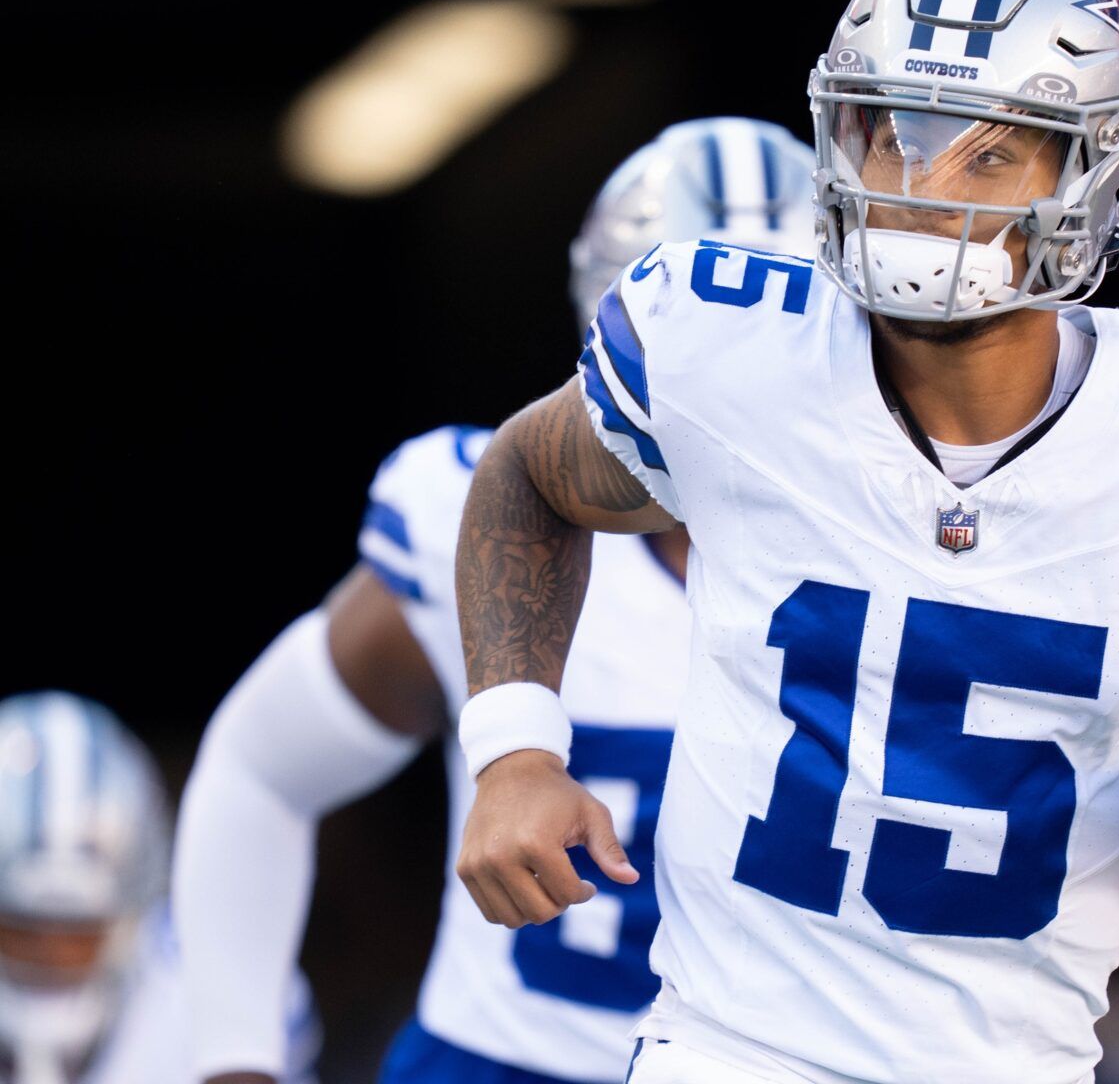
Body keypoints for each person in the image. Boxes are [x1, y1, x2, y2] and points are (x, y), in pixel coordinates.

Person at [452, 0, 1119, 1084]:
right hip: (731, 1049)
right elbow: (525, 471)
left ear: (1091, 169)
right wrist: (514, 748)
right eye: (893, 136)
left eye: (988, 154)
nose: (923, 188)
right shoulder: (734, 351)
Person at [172, 119, 817, 1084]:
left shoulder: (947, 548)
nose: (731, 383)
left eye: (777, 339)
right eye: (692, 338)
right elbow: (262, 768)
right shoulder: (491, 524)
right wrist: (235, 1061)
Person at [0, 692, 319, 1084]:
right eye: (20, 928)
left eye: (79, 933)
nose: (50, 953)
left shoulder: (199, 996)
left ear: (126, 919)